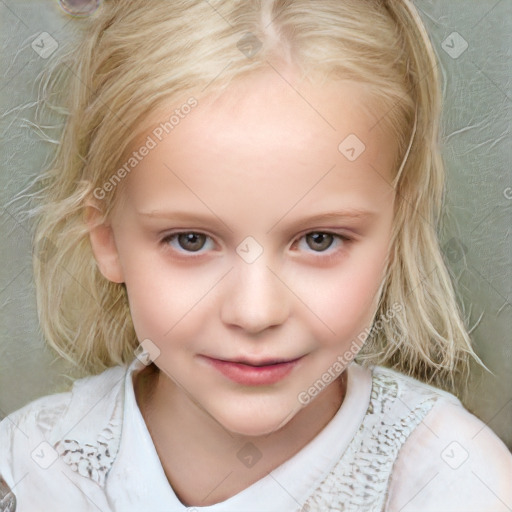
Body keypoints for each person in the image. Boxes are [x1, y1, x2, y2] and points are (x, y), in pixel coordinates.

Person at [1, 0, 511, 510]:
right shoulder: (29, 474)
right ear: (107, 237)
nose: (256, 312)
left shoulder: (452, 481)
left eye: (319, 240)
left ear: (396, 233)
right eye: (191, 240)